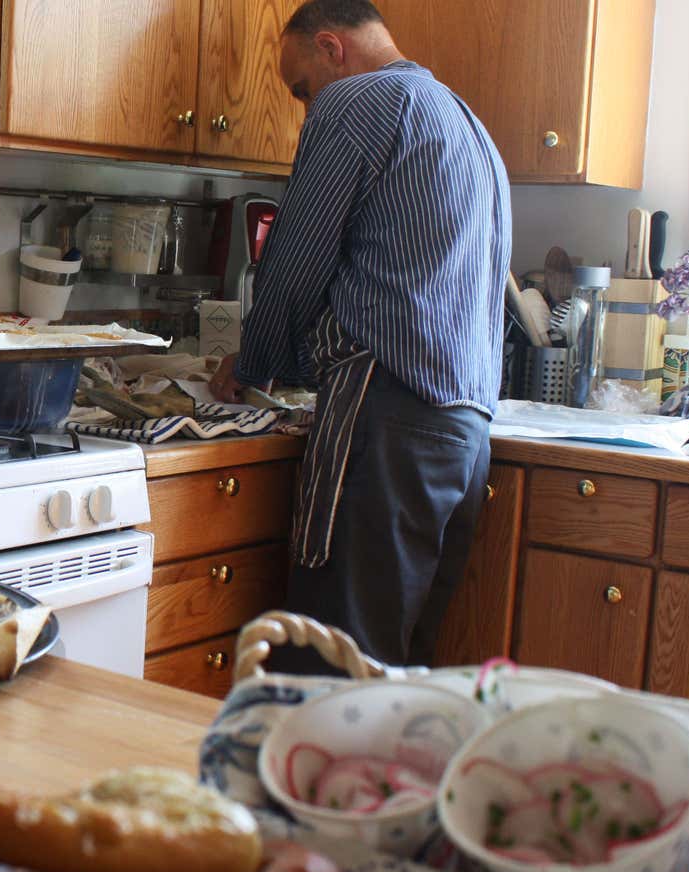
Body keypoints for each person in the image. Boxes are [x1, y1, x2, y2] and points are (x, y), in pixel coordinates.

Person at [208, 0, 511, 669]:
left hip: (387, 422)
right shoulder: (466, 122)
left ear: (330, 49)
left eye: (302, 90)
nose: (307, 110)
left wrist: (255, 364)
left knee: (331, 665)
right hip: (465, 435)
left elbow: (295, 258)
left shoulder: (360, 103)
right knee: (396, 676)